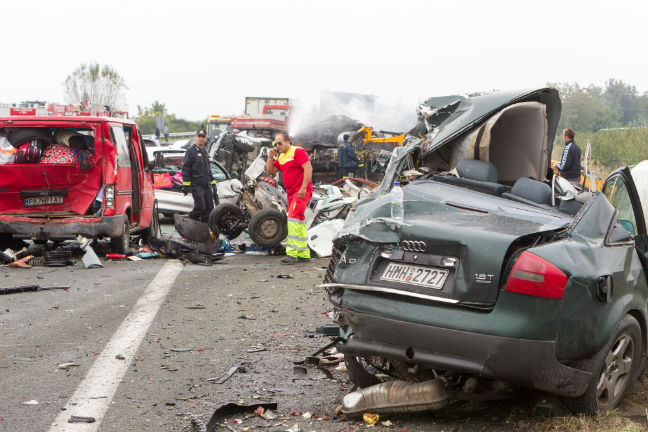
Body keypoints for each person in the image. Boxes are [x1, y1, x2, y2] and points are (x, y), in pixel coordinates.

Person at [266, 132, 313, 264]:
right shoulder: (281, 156)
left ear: (287, 142)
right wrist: (270, 156)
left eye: (280, 143)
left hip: (301, 191)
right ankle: (304, 254)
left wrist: (303, 188)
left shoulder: (297, 152)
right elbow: (270, 171)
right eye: (276, 144)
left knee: (292, 218)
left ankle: (292, 254)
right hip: (291, 193)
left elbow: (308, 168)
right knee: (299, 220)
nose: (277, 146)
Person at [181, 125, 217, 222]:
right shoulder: (191, 151)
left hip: (207, 185)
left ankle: (205, 230)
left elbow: (208, 169)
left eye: (203, 137)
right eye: (199, 136)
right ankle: (190, 220)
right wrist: (185, 184)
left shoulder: (205, 151)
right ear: (195, 137)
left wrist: (213, 183)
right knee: (201, 206)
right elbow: (186, 168)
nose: (201, 138)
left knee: (209, 208)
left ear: (205, 138)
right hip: (197, 185)